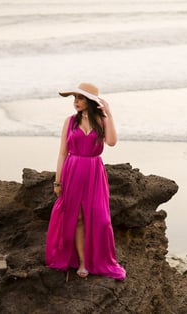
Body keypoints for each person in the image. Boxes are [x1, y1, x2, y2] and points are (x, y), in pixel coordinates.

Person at [44, 82, 127, 280]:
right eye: (74, 98)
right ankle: (82, 262)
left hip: (94, 172)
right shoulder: (70, 121)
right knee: (78, 218)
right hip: (72, 170)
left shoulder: (101, 121)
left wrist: (109, 113)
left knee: (102, 219)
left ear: (90, 101)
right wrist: (58, 181)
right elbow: (62, 152)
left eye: (79, 98)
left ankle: (100, 259)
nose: (76, 102)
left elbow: (112, 142)